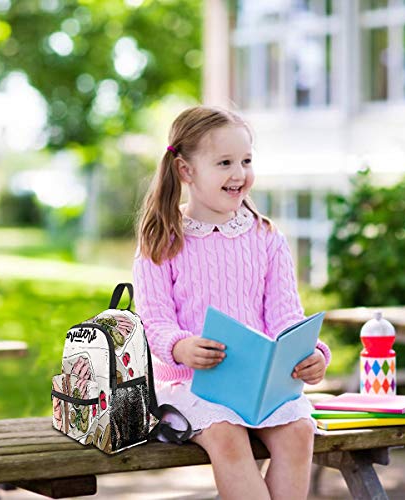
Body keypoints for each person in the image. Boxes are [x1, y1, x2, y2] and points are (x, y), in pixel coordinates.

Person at [133, 105, 331, 500]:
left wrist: (313, 354)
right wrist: (181, 347)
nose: (239, 174)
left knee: (299, 432)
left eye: (246, 161)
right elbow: (153, 322)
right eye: (224, 162)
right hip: (190, 386)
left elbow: (286, 318)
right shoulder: (163, 240)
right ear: (186, 171)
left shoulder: (267, 238)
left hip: (260, 386)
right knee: (227, 437)